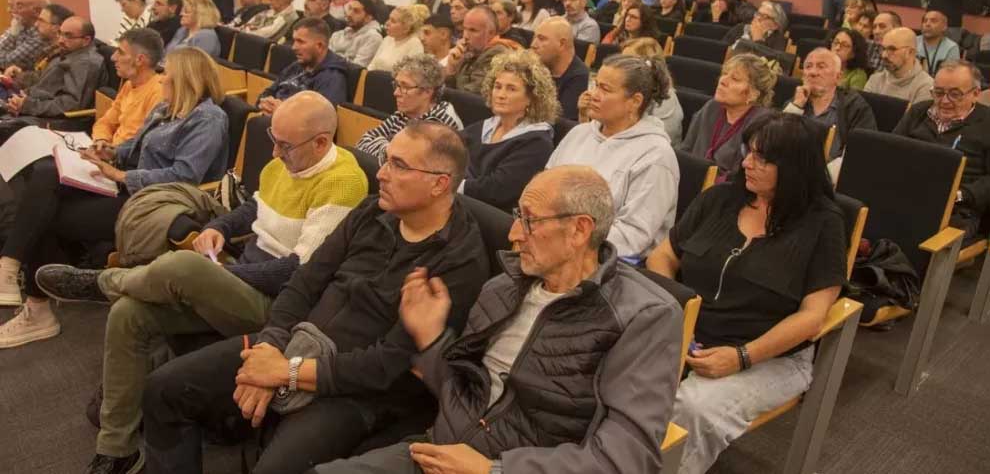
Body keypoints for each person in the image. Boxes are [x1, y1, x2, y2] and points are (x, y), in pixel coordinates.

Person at [33, 92, 368, 474]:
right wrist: (218, 227)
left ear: (321, 142)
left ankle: (104, 283)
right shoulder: (287, 162)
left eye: (284, 145)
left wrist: (216, 277)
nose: (275, 153)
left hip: (281, 306)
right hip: (242, 276)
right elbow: (254, 208)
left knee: (185, 267)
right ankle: (117, 448)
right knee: (128, 312)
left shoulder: (344, 183)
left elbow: (296, 274)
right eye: (273, 140)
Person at [140, 121, 490, 474]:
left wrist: (286, 372)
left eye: (398, 165)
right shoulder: (371, 212)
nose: (381, 173)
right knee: (164, 389)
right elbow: (303, 283)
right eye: (385, 159)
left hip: (357, 391)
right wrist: (271, 348)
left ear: (439, 183)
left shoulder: (459, 260)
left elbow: (389, 365)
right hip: (295, 344)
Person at [313, 166, 682, 474]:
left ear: (579, 230)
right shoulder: (502, 287)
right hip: (442, 453)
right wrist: (431, 340)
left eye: (529, 220)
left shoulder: (644, 316)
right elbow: (465, 395)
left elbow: (627, 458)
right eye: (517, 216)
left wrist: (495, 469)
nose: (513, 234)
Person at [648, 111, 847, 474]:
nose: (746, 163)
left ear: (794, 168)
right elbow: (663, 256)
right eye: (747, 152)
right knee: (618, 373)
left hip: (769, 356)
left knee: (694, 408)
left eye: (761, 158)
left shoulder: (823, 224)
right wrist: (674, 315)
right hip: (688, 334)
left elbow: (812, 316)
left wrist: (741, 356)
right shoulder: (720, 198)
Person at [0, 47, 228, 347]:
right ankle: (11, 267)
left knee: (47, 214)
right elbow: (135, 147)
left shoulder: (208, 119)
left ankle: (33, 303)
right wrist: (109, 152)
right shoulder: (165, 109)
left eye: (168, 76)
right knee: (45, 172)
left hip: (157, 202)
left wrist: (120, 175)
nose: (162, 80)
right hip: (130, 189)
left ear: (187, 80)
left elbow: (184, 176)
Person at [0, 27, 164, 300]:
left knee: (44, 179)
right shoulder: (129, 84)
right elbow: (105, 121)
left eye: (120, 52)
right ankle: (19, 269)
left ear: (140, 59)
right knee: (36, 171)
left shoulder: (157, 92)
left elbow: (142, 144)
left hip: (121, 172)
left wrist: (109, 152)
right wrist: (101, 141)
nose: (113, 58)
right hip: (103, 156)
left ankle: (15, 269)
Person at [549, 54, 679, 265]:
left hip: (609, 263)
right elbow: (544, 187)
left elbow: (632, 236)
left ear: (635, 101)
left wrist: (564, 238)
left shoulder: (656, 155)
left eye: (605, 89)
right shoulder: (580, 133)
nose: (593, 95)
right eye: (595, 85)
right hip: (556, 242)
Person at [894, 60, 990, 239]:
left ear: (975, 94)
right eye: (938, 93)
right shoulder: (919, 112)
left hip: (957, 208)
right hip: (906, 193)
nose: (944, 101)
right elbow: (890, 152)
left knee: (914, 235)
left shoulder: (987, 124)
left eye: (955, 94)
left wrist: (961, 195)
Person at [460, 50, 557, 212]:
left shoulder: (537, 143)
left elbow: (496, 190)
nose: (501, 95)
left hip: (493, 217)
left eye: (511, 89)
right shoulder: (486, 126)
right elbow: (450, 155)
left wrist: (453, 184)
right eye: (497, 87)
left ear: (531, 98)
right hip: (461, 203)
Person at [0, 16, 107, 139]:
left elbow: (71, 104)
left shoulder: (86, 63)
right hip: (39, 110)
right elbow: (44, 85)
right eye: (60, 33)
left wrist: (28, 106)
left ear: (86, 40)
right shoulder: (68, 53)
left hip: (65, 122)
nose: (61, 40)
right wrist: (21, 101)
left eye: (68, 36)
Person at [681, 53, 775, 179]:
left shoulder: (762, 125)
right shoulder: (712, 107)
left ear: (753, 94)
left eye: (735, 79)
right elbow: (685, 150)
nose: (723, 81)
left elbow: (742, 178)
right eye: (724, 73)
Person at [357, 54, 461, 163]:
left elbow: (408, 164)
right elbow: (362, 142)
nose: (396, 93)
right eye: (397, 85)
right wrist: (388, 149)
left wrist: (382, 144)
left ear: (427, 92)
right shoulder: (404, 113)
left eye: (405, 87)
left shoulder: (441, 124)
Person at [784, 48, 877, 159]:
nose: (813, 72)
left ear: (838, 77)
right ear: (803, 75)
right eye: (808, 66)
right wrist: (796, 106)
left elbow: (863, 151)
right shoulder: (795, 102)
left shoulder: (855, 106)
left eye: (821, 67)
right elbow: (777, 142)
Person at [258, 18, 348, 114]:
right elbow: (269, 91)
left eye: (300, 42)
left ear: (319, 46)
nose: (294, 47)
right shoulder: (297, 65)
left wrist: (282, 111)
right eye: (294, 41)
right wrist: (264, 102)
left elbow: (321, 117)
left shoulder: (332, 78)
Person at [619, 37, 685, 146]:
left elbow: (656, 141)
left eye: (627, 62)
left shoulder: (665, 98)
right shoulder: (626, 88)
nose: (619, 66)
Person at [444, 5, 519, 95]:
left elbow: (470, 95)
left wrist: (452, 72)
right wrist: (452, 67)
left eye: (473, 30)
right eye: (465, 29)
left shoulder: (496, 54)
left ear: (491, 32)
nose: (465, 36)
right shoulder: (472, 51)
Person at [0, 3, 68, 95]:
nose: (36, 24)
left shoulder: (62, 55)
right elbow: (37, 75)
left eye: (41, 21)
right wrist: (19, 73)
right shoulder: (50, 50)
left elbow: (41, 86)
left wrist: (17, 78)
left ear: (55, 28)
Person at [529, 16, 589, 121]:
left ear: (561, 44)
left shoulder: (579, 77)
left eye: (541, 39)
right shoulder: (537, 66)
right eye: (534, 38)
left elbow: (560, 123)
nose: (533, 45)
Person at [367, 5, 425, 73]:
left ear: (406, 28)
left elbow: (409, 74)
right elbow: (373, 64)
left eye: (393, 21)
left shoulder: (415, 44)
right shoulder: (388, 39)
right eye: (389, 19)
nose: (387, 23)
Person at [328, 0, 383, 67]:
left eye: (356, 11)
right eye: (350, 8)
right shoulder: (338, 34)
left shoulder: (373, 38)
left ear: (368, 18)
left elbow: (357, 67)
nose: (349, 14)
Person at [0, 0, 47, 71]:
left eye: (19, 7)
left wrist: (12, 34)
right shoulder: (20, 26)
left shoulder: (40, 35)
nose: (11, 10)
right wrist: (13, 33)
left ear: (37, 11)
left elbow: (7, 62)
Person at [724, 0, 788, 51]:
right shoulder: (740, 28)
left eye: (764, 16)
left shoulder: (778, 40)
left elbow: (766, 61)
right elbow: (722, 48)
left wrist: (758, 40)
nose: (758, 18)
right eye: (758, 13)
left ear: (775, 25)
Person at [917, 9, 961, 77]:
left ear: (944, 27)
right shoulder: (913, 41)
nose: (927, 24)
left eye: (933, 21)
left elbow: (950, 75)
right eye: (925, 21)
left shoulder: (951, 47)